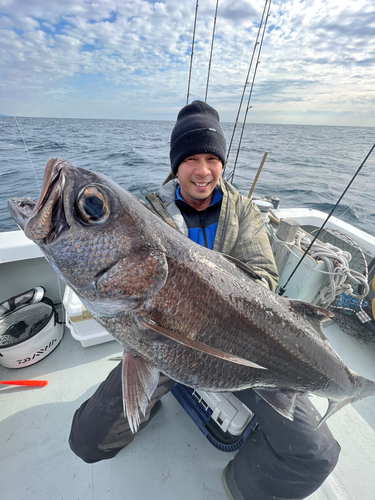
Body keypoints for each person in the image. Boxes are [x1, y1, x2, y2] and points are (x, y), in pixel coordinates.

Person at [69, 101, 340, 500]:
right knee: (87, 441)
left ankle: (237, 485)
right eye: (191, 158)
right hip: (159, 345)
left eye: (212, 158)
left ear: (222, 163)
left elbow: (262, 278)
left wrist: (210, 299)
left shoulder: (243, 212)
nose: (202, 170)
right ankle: (154, 400)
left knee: (316, 453)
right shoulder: (147, 212)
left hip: (238, 353)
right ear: (175, 164)